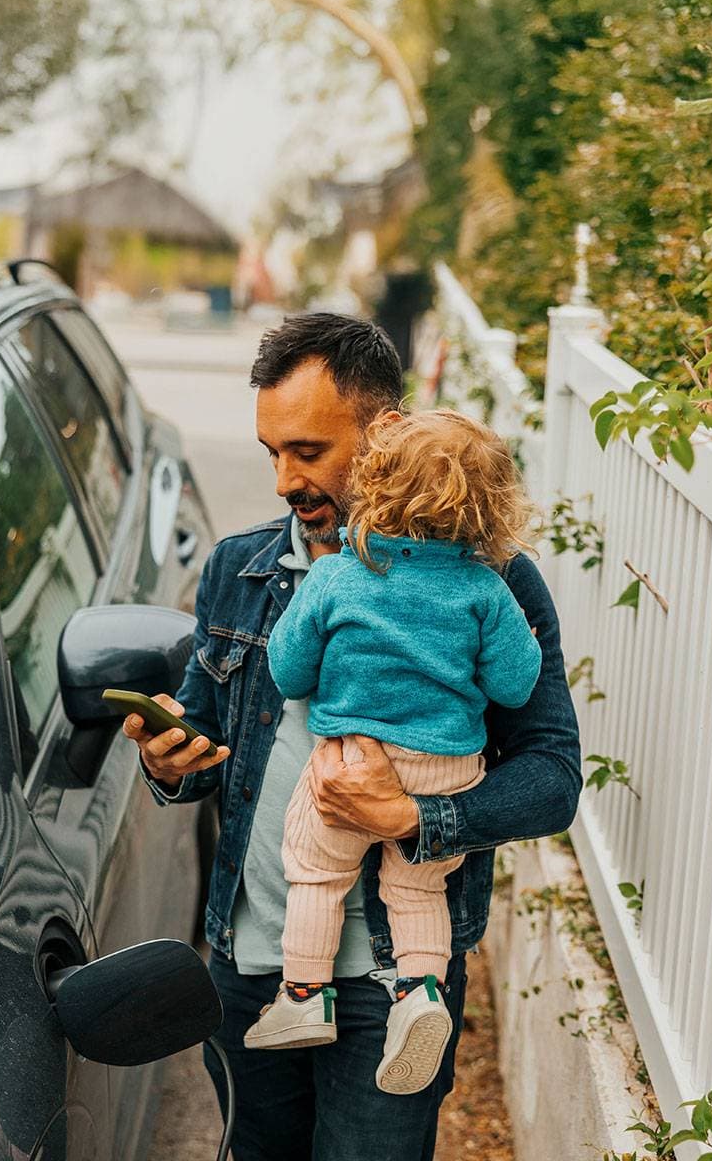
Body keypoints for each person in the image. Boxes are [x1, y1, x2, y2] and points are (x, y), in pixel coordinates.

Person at [121, 313, 581, 1161]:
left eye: (308, 451)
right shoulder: (240, 568)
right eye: (272, 454)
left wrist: (416, 820)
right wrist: (170, 761)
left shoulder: (493, 579)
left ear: (387, 432)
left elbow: (552, 777)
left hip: (392, 982)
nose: (285, 481)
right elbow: (208, 731)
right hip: (255, 959)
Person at [242, 410, 544, 1100]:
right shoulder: (485, 590)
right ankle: (420, 992)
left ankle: (303, 996)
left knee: (317, 874)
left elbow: (288, 674)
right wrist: (518, 636)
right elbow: (513, 685)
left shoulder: (340, 575)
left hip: (353, 759)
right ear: (489, 504)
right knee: (417, 887)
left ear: (372, 486)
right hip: (446, 770)